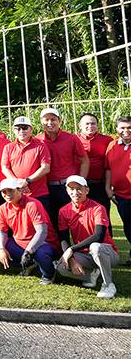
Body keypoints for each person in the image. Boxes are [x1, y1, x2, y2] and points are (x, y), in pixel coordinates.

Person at [55, 175, 119, 299]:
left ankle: (108, 285)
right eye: (71, 189)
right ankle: (91, 274)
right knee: (61, 266)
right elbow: (63, 238)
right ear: (67, 191)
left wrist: (72, 249)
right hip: (84, 254)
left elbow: (99, 236)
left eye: (79, 189)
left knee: (95, 247)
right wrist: (71, 259)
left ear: (87, 190)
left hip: (107, 252)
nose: (75, 192)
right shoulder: (63, 211)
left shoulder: (98, 208)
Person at [0, 178, 58, 284]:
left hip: (44, 244)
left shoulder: (33, 204)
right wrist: (1, 249)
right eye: (4, 192)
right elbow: (1, 231)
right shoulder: (2, 209)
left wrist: (29, 251)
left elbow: (42, 232)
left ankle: (49, 274)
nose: (7, 194)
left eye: (11, 190)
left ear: (19, 190)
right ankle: (29, 265)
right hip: (20, 244)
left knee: (40, 254)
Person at [36, 108, 89, 226]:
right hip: (46, 187)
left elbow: (84, 160)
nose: (50, 123)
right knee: (53, 221)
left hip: (68, 186)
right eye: (46, 120)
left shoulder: (71, 138)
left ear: (59, 121)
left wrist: (81, 182)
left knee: (76, 221)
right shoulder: (38, 140)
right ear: (41, 122)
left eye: (53, 119)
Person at [1, 116, 52, 214]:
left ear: (31, 129)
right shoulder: (8, 147)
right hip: (17, 194)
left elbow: (45, 168)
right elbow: (5, 168)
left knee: (42, 221)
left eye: (24, 128)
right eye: (18, 128)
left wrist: (27, 181)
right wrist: (18, 183)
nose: (21, 131)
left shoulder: (41, 145)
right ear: (14, 130)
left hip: (39, 193)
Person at [105, 116, 131, 266]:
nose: (126, 130)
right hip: (121, 195)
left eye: (129, 127)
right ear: (117, 129)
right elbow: (108, 168)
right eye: (122, 127)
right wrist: (108, 188)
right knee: (128, 227)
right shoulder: (112, 145)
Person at [76, 113, 113, 214]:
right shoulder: (73, 140)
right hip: (80, 185)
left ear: (97, 125)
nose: (90, 126)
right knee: (82, 215)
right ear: (80, 125)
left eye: (93, 123)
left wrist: (109, 186)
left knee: (103, 213)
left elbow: (110, 164)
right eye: (87, 124)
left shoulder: (107, 140)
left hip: (100, 185)